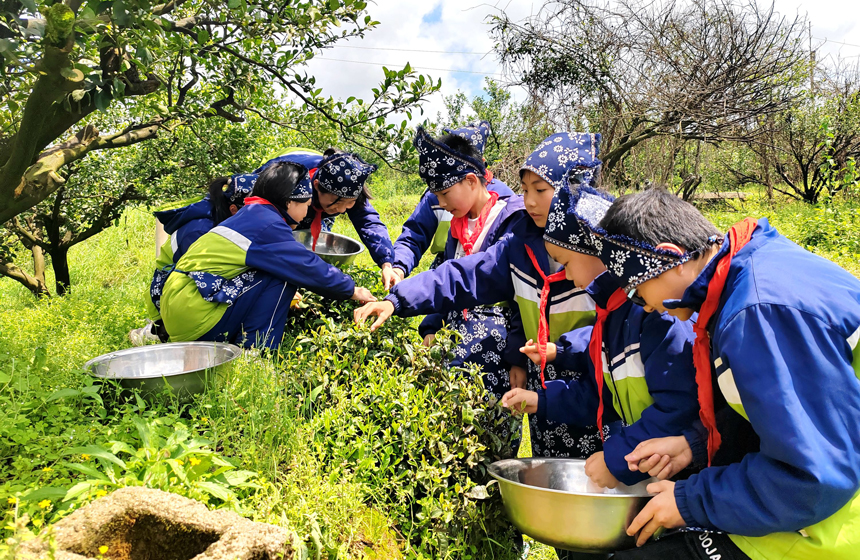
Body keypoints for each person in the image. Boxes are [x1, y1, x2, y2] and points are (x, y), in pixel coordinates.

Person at [593, 187, 860, 559]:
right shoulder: (752, 268)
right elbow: (794, 411)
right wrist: (695, 444)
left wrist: (689, 501)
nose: (648, 309)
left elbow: (814, 477)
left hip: (830, 529)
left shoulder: (758, 313)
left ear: (669, 257)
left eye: (638, 294)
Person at [355, 132, 605, 460]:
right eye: (526, 190)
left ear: (576, 193)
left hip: (596, 381)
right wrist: (396, 299)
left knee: (599, 475)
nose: (528, 201)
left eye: (540, 191)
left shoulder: (605, 253)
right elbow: (463, 275)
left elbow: (620, 328)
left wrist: (561, 351)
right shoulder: (521, 245)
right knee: (552, 467)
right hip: (542, 375)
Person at [500, 178, 700, 489]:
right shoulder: (610, 318)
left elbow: (680, 408)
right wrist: (540, 400)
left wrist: (617, 459)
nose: (565, 275)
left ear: (597, 255)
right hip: (653, 473)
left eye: (566, 263)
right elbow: (600, 395)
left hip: (681, 478)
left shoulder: (657, 315)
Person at [159, 161, 376, 350]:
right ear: (290, 202)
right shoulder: (267, 224)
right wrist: (352, 289)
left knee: (273, 269)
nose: (304, 216)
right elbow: (305, 266)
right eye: (307, 206)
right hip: (194, 316)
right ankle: (255, 351)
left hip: (179, 309)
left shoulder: (252, 213)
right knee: (285, 275)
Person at [403, 125, 527, 452]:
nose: (441, 204)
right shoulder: (459, 223)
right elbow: (448, 274)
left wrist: (517, 357)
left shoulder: (511, 218)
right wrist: (431, 323)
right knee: (449, 422)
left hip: (495, 344)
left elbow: (521, 295)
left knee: (490, 429)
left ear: (471, 181)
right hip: (457, 332)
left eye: (445, 195)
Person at [384, 121, 515, 289]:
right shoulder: (436, 195)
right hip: (445, 272)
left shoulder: (505, 203)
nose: (442, 202)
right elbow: (414, 235)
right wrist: (398, 266)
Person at [130, 174, 255, 345]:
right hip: (171, 295)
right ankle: (158, 331)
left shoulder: (220, 218)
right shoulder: (200, 230)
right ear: (234, 209)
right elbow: (204, 275)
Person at [256, 147, 395, 273]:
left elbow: (369, 223)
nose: (341, 209)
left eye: (350, 203)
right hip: (280, 191)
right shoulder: (289, 181)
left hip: (317, 203)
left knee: (314, 243)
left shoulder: (351, 184)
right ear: (317, 186)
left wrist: (387, 262)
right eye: (338, 202)